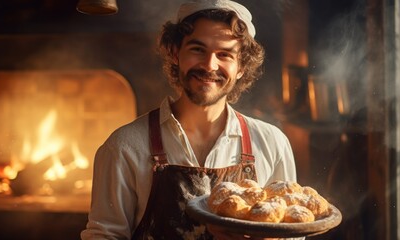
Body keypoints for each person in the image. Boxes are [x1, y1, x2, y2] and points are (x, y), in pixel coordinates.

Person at [81, 0, 299, 239]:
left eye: (224, 54)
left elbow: (290, 235)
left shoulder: (271, 143)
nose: (209, 65)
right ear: (175, 53)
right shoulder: (124, 146)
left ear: (241, 67)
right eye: (197, 49)